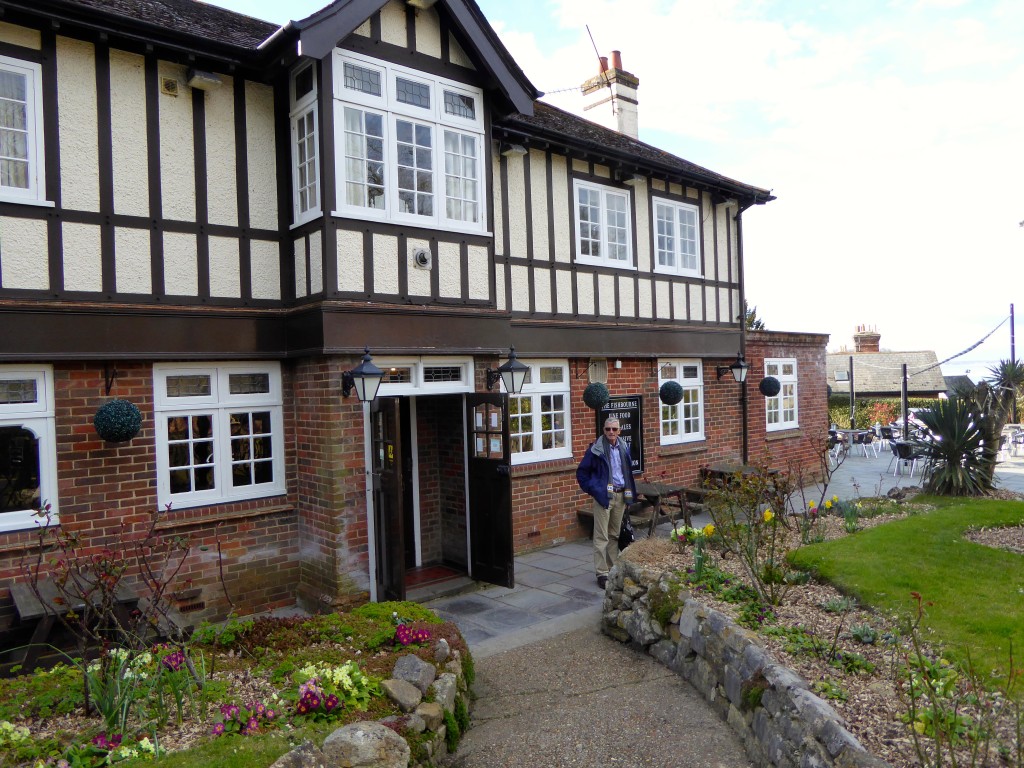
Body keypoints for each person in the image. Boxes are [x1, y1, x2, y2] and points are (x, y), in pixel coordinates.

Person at [576, 416, 638, 589]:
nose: (611, 432)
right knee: (601, 537)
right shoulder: (596, 450)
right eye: (607, 429)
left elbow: (627, 472)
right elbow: (582, 473)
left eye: (614, 429)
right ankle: (601, 573)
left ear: (619, 431)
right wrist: (594, 489)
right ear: (603, 430)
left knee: (614, 535)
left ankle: (612, 568)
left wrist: (629, 495)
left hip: (620, 495)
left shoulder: (624, 446)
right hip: (604, 497)